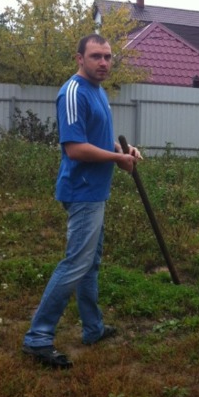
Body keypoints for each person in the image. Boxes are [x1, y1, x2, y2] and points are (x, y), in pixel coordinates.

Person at [22, 34, 141, 368]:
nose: (103, 63)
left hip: (96, 191)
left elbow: (98, 139)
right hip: (82, 191)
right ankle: (38, 338)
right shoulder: (73, 92)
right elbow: (74, 148)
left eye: (108, 57)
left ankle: (93, 328)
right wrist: (117, 161)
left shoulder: (98, 91)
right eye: (95, 57)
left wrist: (123, 150)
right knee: (75, 264)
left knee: (90, 264)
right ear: (79, 59)